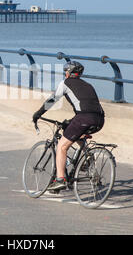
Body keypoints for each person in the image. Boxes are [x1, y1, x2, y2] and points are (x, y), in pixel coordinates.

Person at [32, 61, 105, 191]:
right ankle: (89, 162)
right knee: (74, 131)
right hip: (99, 119)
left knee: (61, 146)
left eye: (65, 71)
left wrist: (37, 114)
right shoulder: (89, 85)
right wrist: (70, 122)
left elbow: (52, 100)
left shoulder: (65, 83)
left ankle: (60, 179)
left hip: (84, 118)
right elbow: (88, 105)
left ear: (68, 73)